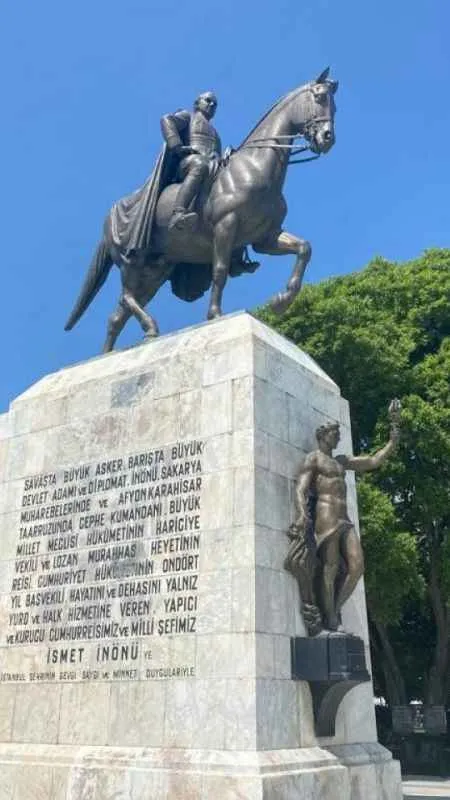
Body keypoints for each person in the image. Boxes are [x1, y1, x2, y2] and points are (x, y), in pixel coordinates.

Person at [287, 403, 400, 633]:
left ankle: (335, 609)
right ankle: (331, 619)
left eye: (338, 434)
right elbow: (300, 489)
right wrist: (301, 514)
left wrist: (393, 440)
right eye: (335, 434)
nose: (338, 438)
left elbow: (372, 461)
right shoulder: (314, 459)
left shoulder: (342, 462)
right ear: (323, 435)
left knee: (357, 566)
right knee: (331, 568)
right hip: (325, 516)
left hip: (345, 518)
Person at [161, 91, 221, 232]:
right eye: (208, 100)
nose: (211, 105)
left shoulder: (216, 134)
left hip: (212, 166)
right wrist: (177, 145)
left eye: (215, 104)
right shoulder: (188, 116)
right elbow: (166, 120)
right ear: (197, 103)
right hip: (189, 162)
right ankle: (178, 213)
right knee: (200, 165)